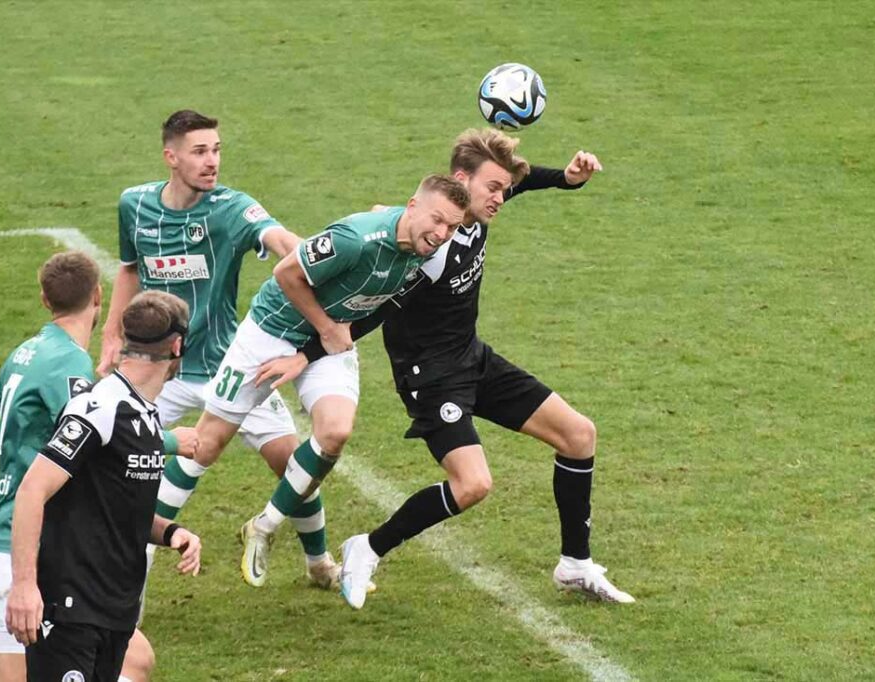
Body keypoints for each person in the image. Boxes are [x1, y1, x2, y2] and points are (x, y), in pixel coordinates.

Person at [259, 129, 635, 609]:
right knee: (473, 484)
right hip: (431, 379)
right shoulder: (428, 252)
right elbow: (376, 310)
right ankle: (368, 547)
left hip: (472, 357)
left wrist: (566, 178)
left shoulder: (475, 208)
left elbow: (521, 181)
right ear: (462, 181)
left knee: (579, 435)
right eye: (494, 188)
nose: (502, 197)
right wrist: (307, 355)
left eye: (503, 189)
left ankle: (575, 565)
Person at [95, 110, 340, 587]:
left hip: (229, 368)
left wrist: (314, 255)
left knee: (292, 466)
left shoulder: (231, 208)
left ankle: (319, 563)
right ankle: (110, 574)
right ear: (171, 157)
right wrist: (110, 334)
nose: (212, 161)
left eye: (217, 150)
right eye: (200, 151)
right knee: (105, 459)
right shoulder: (135, 205)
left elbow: (277, 236)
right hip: (155, 373)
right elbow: (128, 268)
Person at [191, 174, 469, 588]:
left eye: (452, 227)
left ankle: (264, 527)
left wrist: (309, 353)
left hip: (324, 343)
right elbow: (287, 273)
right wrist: (324, 327)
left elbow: (378, 307)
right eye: (438, 220)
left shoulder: (425, 249)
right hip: (271, 330)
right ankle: (141, 540)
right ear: (413, 205)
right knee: (207, 444)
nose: (442, 233)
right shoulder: (355, 240)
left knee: (335, 432)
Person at [0, 252, 196, 682]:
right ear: (176, 346)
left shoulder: (143, 414)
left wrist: (172, 533)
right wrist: (25, 585)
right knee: (10, 673)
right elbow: (35, 487)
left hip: (108, 602)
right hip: (58, 581)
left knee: (136, 661)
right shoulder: (96, 397)